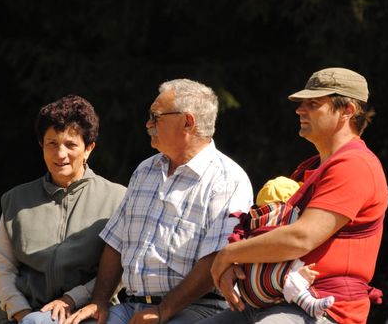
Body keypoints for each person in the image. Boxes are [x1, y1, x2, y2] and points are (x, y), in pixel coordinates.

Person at [206, 67, 388, 324]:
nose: (300, 110)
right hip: (271, 303)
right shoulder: (314, 167)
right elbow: (275, 235)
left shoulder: (355, 165)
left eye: (313, 104)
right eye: (302, 103)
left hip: (323, 308)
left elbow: (301, 238)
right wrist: (237, 265)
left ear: (348, 110)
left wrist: (229, 255)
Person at [65, 79, 254, 324]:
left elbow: (216, 260)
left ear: (188, 122)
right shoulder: (145, 170)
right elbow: (116, 243)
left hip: (198, 308)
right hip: (130, 305)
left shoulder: (227, 179)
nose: (148, 124)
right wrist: (99, 301)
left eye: (156, 116)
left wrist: (163, 310)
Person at [0, 95, 127, 324]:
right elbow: (3, 268)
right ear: (41, 146)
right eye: (52, 143)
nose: (60, 154)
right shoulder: (15, 200)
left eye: (71, 144)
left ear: (89, 148)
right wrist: (22, 313)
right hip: (22, 317)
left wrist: (72, 299)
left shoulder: (117, 199)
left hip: (90, 313)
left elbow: (121, 269)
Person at [230, 176, 335, 319]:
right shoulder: (286, 215)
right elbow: (299, 240)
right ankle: (309, 304)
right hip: (273, 284)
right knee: (291, 276)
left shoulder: (253, 219)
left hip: (246, 291)